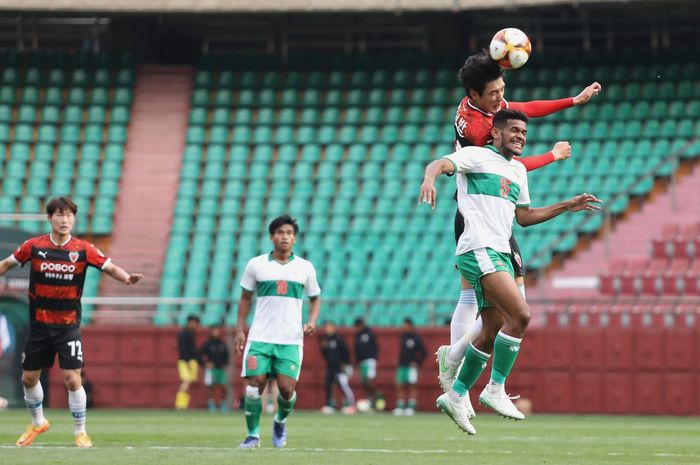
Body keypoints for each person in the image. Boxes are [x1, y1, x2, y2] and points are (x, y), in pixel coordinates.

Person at [419, 109, 601, 434]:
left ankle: (456, 395)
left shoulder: (518, 171)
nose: (520, 136)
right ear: (495, 133)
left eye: (523, 133)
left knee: (490, 330)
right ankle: (494, 388)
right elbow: (440, 164)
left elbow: (525, 217)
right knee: (521, 315)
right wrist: (429, 180)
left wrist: (566, 206)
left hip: (501, 251)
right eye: (514, 130)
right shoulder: (475, 156)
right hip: (478, 249)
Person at [436, 50, 602, 395]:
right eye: (495, 93)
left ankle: (458, 372)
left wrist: (574, 100)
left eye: (502, 89)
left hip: (493, 210)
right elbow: (510, 167)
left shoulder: (483, 103)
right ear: (475, 96)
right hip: (479, 211)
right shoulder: (481, 129)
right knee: (503, 304)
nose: (502, 97)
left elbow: (525, 107)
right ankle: (455, 367)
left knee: (496, 302)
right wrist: (552, 156)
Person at [0, 196, 144, 448]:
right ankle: (38, 422)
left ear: (73, 219)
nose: (64, 219)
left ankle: (80, 431)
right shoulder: (33, 246)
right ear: (50, 218)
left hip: (67, 326)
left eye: (69, 215)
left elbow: (109, 267)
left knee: (73, 379)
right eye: (59, 214)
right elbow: (7, 264)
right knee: (28, 379)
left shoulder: (83, 249)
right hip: (39, 324)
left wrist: (126, 279)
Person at [234, 215, 321, 449]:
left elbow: (315, 299)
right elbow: (244, 298)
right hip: (260, 337)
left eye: (290, 233)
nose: (285, 237)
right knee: (255, 387)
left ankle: (280, 421)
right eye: (281, 232)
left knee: (286, 389)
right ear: (272, 236)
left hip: (290, 339)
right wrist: (239, 329)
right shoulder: (256, 265)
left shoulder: (305, 268)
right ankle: (253, 435)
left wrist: (312, 321)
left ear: (294, 238)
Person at [319, 321, 356, 414]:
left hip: (340, 367)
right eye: (326, 327)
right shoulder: (325, 339)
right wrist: (323, 348)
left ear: (333, 328)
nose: (327, 329)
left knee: (343, 385)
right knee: (329, 384)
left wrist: (346, 364)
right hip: (331, 367)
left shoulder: (339, 338)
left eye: (329, 327)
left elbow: (345, 352)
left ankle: (350, 404)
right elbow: (325, 354)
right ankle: (330, 404)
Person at [393, 318, 427, 416]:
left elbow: (424, 352)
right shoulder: (403, 337)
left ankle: (411, 406)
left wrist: (417, 362)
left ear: (410, 326)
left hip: (411, 367)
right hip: (402, 365)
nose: (403, 327)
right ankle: (401, 406)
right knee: (400, 384)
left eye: (405, 325)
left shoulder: (416, 338)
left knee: (412, 385)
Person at [353, 318, 385, 411]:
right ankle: (371, 400)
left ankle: (379, 397)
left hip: (370, 360)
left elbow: (374, 346)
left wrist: (374, 357)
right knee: (363, 382)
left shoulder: (369, 333)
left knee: (368, 381)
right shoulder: (358, 335)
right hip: (362, 361)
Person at [200, 324, 230, 412]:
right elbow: (199, 355)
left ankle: (223, 404)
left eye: (217, 330)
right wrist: (205, 363)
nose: (216, 332)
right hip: (211, 369)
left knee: (224, 386)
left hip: (221, 369)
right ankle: (211, 404)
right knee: (210, 387)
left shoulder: (222, 343)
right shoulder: (207, 344)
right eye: (214, 330)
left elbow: (226, 355)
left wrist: (225, 364)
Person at [175, 315, 200, 410]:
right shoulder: (183, 334)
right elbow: (183, 349)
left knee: (188, 383)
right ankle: (179, 403)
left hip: (191, 361)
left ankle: (184, 404)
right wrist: (188, 362)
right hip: (185, 361)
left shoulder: (192, 334)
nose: (195, 325)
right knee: (186, 381)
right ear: (189, 322)